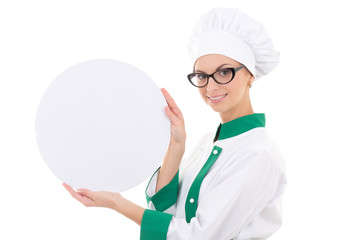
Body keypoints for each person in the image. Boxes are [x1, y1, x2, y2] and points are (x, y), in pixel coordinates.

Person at [63, 7, 286, 240]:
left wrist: (117, 204)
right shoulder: (210, 140)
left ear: (250, 75)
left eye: (224, 72)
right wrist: (177, 146)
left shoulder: (258, 154)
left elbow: (202, 235)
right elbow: (165, 211)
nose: (211, 87)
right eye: (202, 76)